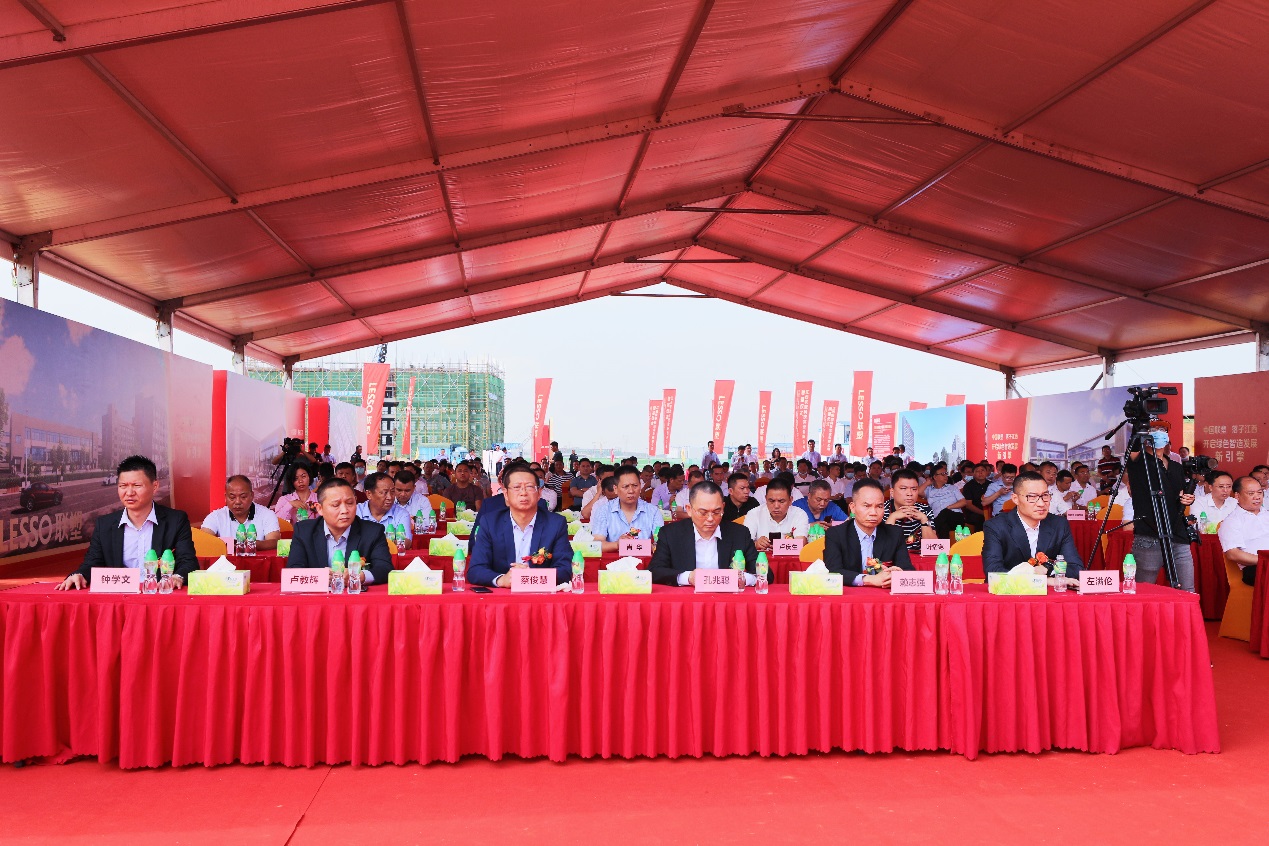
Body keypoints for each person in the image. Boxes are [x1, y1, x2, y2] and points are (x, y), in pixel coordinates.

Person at [59, 455, 198, 590]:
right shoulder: (104, 525)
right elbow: (92, 563)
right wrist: (79, 574)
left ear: (155, 486)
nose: (129, 492)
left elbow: (188, 561)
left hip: (159, 595)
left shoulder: (176, 521)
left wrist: (177, 577)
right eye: (123, 486)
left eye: (137, 485)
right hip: (121, 598)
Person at [467, 464, 572, 588]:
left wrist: (531, 576)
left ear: (539, 493)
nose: (523, 493)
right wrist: (502, 580)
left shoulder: (556, 523)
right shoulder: (490, 523)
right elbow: (476, 569)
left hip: (539, 594)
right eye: (517, 487)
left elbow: (565, 570)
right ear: (506, 494)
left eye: (529, 487)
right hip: (502, 595)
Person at [284, 477, 392, 586]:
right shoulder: (303, 531)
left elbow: (385, 568)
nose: (345, 510)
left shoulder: (373, 531)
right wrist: (318, 576)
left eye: (350, 503)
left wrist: (360, 576)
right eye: (336, 505)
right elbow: (293, 570)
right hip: (318, 595)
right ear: (320, 508)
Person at [648, 481, 758, 586]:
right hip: (688, 597)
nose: (710, 518)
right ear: (689, 509)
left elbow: (762, 571)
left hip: (727, 597)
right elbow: (655, 571)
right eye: (703, 512)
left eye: (716, 512)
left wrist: (742, 578)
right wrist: (688, 577)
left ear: (723, 508)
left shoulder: (739, 533)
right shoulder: (671, 534)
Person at [1126, 429, 1196, 590]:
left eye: (1163, 430)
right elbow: (1133, 450)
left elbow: (1180, 493)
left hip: (1177, 531)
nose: (1159, 433)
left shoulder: (1176, 466)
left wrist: (1188, 498)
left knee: (1187, 589)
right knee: (1143, 589)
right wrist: (1140, 427)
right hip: (1150, 532)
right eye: (1154, 430)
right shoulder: (1139, 463)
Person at [982, 471, 1083, 583]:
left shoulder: (1059, 524)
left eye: (1045, 495)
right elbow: (993, 572)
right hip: (1010, 592)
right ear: (1015, 499)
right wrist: (1043, 581)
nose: (1041, 503)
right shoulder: (996, 526)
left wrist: (1048, 569)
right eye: (1032, 497)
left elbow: (1075, 568)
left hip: (1049, 593)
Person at [822, 479, 913, 587]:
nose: (873, 513)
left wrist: (897, 574)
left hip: (884, 594)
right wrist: (869, 579)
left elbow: (908, 570)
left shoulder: (895, 533)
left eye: (879, 506)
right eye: (867, 506)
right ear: (853, 507)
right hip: (851, 594)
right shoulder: (836, 534)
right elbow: (833, 571)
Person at [589, 466, 665, 552]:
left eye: (635, 486)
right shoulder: (603, 510)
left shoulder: (653, 511)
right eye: (625, 486)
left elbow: (662, 543)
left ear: (640, 486)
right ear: (615, 489)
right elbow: (597, 544)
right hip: (614, 559)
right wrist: (617, 544)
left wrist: (651, 547)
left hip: (645, 559)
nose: (631, 491)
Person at [200, 475, 282, 550]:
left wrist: (248, 545)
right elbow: (203, 540)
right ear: (225, 497)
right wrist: (239, 544)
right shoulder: (216, 516)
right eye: (232, 497)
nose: (238, 502)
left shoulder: (267, 514)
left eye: (243, 497)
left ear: (252, 496)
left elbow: (274, 542)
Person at [1217, 477, 1268, 586]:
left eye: (1259, 492)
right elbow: (1233, 554)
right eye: (1251, 493)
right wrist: (1264, 560)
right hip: (1255, 567)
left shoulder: (1267, 514)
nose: (1257, 497)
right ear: (1237, 496)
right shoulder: (1232, 521)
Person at [745, 477, 809, 552]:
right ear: (766, 499)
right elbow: (744, 543)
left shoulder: (799, 514)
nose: (776, 506)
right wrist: (756, 544)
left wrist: (778, 547)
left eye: (781, 501)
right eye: (771, 501)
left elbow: (801, 543)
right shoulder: (753, 514)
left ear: (790, 500)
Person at [882, 469, 936, 553]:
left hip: (918, 558)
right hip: (892, 559)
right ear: (892, 492)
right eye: (903, 488)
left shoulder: (925, 510)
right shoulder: (881, 509)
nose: (910, 493)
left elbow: (934, 548)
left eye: (914, 489)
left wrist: (924, 520)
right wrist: (893, 517)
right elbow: (882, 549)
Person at [356, 472, 413, 542]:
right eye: (384, 492)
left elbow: (405, 542)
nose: (390, 497)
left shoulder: (401, 514)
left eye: (392, 492)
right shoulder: (356, 512)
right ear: (369, 494)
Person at [926, 464, 970, 538]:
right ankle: (944, 545)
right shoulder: (929, 490)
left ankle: (931, 532)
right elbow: (918, 492)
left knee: (944, 512)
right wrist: (927, 482)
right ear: (935, 477)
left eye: (946, 473)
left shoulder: (952, 488)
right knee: (944, 527)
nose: (946, 476)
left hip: (955, 517)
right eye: (942, 474)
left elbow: (963, 502)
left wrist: (948, 507)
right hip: (940, 520)